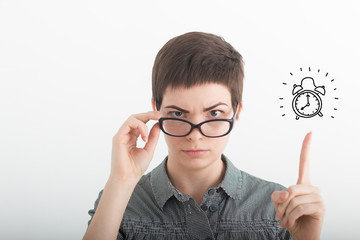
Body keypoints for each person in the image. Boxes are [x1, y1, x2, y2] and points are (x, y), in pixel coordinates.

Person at [82, 32, 325, 240]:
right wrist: (122, 180)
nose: (195, 135)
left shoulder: (278, 207)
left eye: (214, 113)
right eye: (178, 113)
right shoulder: (120, 199)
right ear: (156, 110)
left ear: (235, 112)